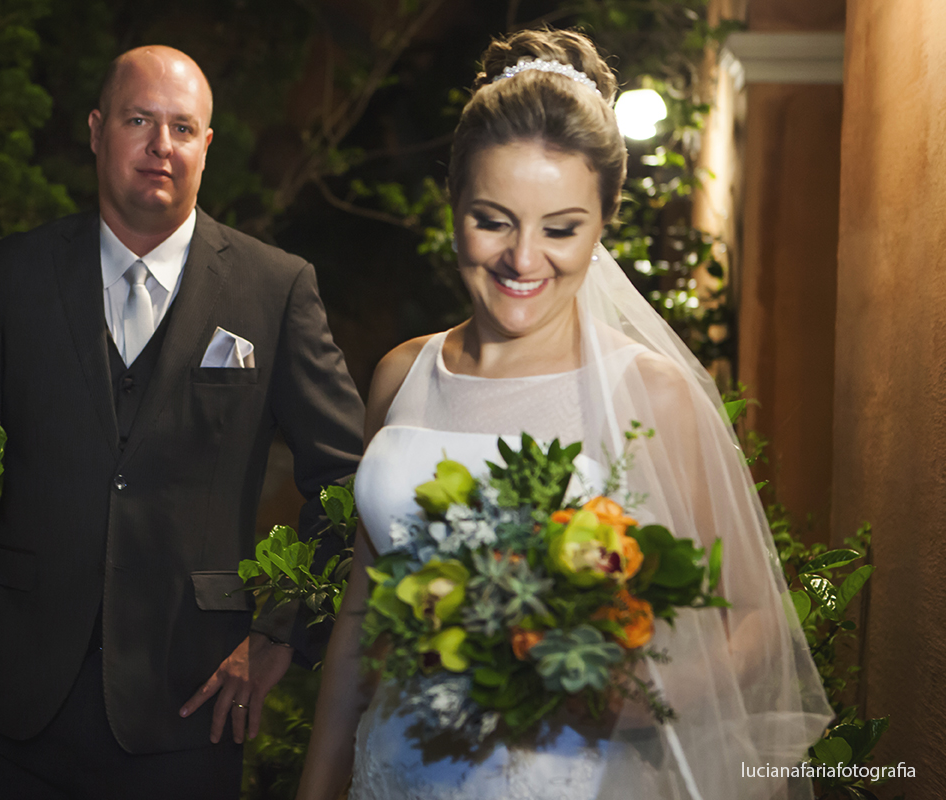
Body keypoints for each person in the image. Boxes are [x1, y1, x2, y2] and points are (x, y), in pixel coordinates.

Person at [296, 27, 832, 800]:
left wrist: (642, 695)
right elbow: (360, 618)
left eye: (560, 228)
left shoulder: (649, 392)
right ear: (452, 203)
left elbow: (755, 620)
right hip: (397, 772)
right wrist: (319, 787)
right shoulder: (400, 374)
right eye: (493, 219)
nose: (523, 259)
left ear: (604, 220)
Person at [0, 45, 364, 799]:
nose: (160, 146)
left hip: (188, 704)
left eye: (182, 127)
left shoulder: (276, 290)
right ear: (96, 129)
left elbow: (344, 481)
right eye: (139, 120)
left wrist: (282, 632)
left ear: (207, 146)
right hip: (8, 695)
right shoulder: (11, 277)